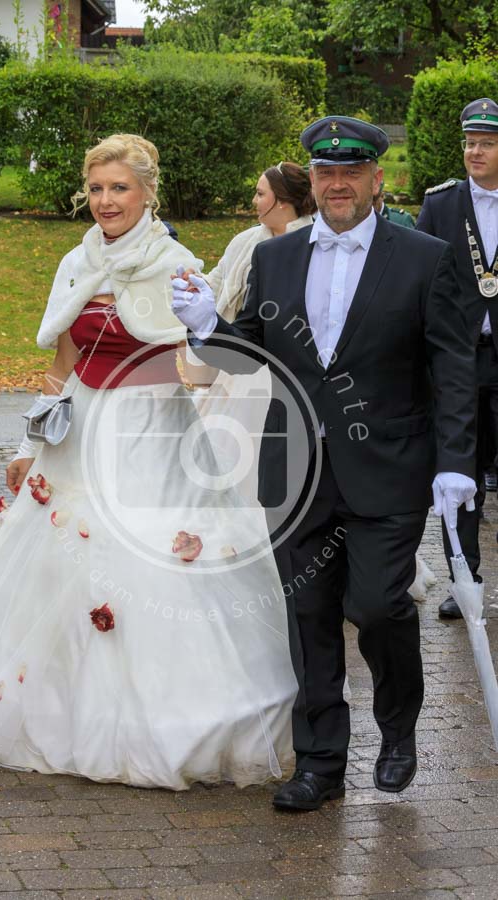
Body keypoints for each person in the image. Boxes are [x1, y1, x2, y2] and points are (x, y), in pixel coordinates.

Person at [0, 133, 298, 790]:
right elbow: (62, 365)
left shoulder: (177, 265)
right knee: (58, 571)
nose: (106, 200)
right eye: (96, 189)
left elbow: (206, 364)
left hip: (151, 435)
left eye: (119, 187)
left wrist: (196, 338)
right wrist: (27, 446)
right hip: (78, 434)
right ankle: (63, 714)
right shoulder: (78, 261)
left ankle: (166, 723)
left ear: (148, 192)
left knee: (151, 570)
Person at [172, 115, 477, 810]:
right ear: (311, 181)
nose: (339, 184)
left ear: (376, 179)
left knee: (377, 606)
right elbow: (247, 355)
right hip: (296, 473)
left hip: (390, 467)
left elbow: (453, 365)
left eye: (351, 172)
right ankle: (319, 764)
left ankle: (397, 731)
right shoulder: (275, 258)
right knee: (308, 614)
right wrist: (206, 327)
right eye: (326, 173)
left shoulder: (425, 257)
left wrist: (457, 459)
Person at [184, 162, 315, 503]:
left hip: (283, 372)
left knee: (267, 462)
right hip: (238, 366)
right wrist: (193, 287)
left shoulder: (313, 244)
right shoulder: (246, 241)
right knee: (221, 456)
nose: (254, 201)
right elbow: (216, 282)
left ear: (281, 200)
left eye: (260, 194)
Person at [417, 98, 498, 619]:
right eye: (470, 143)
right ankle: (464, 580)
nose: (475, 151)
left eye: (486, 143)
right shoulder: (441, 204)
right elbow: (419, 279)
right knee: (459, 474)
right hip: (456, 361)